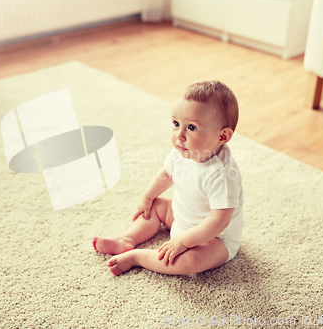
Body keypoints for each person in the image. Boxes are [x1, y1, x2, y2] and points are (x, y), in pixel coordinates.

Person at [92, 80, 244, 276]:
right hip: (181, 216)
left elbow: (219, 221)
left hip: (214, 238)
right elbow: (166, 175)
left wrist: (183, 241)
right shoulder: (183, 151)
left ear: (223, 137)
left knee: (189, 262)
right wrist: (147, 197)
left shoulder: (222, 174)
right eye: (176, 124)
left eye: (191, 128)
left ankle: (137, 257)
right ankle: (127, 239)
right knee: (155, 207)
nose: (179, 135)